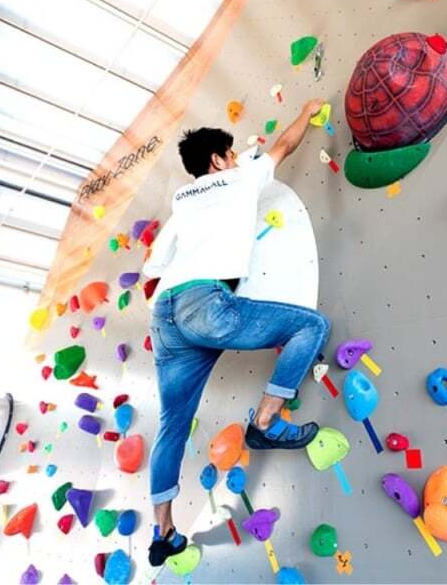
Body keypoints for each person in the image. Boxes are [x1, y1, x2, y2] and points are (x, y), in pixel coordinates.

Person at [142, 98, 331, 566]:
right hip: (205, 305)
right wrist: (307, 111)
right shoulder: (240, 178)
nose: (233, 159)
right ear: (218, 160)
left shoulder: (180, 206)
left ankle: (163, 532)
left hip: (164, 315)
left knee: (171, 426)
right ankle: (265, 422)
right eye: (229, 154)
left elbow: (154, 266)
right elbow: (285, 144)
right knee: (311, 326)